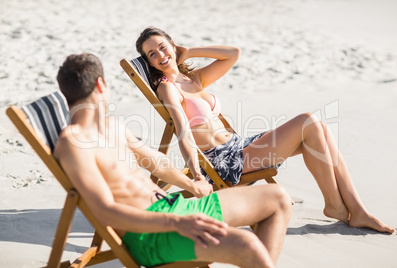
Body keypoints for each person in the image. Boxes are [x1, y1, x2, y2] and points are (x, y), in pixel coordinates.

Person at [135, 26, 394, 234]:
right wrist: (197, 175)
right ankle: (338, 207)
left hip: (239, 145)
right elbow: (183, 133)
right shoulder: (168, 88)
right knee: (308, 121)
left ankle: (353, 208)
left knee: (320, 128)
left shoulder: (194, 79)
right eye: (152, 54)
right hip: (224, 160)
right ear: (149, 63)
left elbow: (233, 53)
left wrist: (189, 52)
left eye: (162, 47)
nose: (160, 55)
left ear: (173, 45)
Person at [53, 52, 292, 268]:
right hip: (149, 235)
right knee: (247, 243)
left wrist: (191, 183)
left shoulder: (112, 126)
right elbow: (106, 212)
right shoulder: (73, 142)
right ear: (100, 85)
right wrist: (176, 222)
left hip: (176, 209)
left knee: (278, 198)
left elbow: (155, 161)